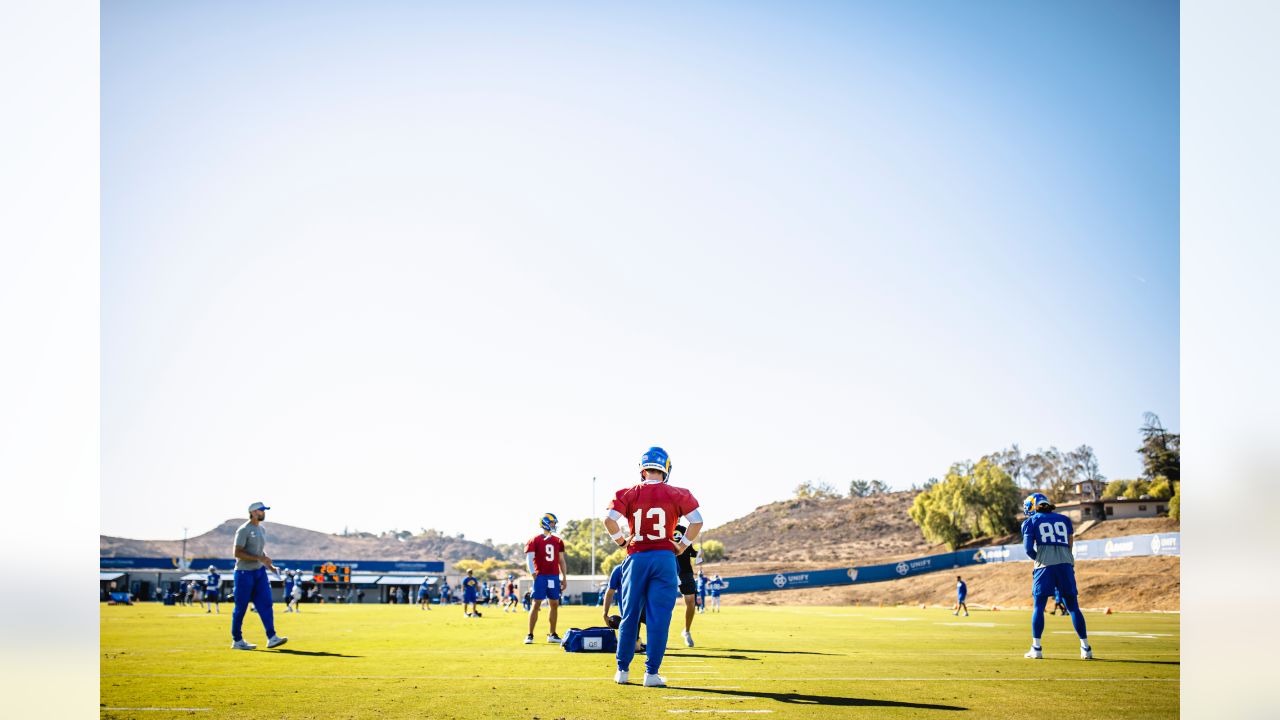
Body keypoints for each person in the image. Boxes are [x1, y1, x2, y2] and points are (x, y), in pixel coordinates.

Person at [603, 446, 703, 687]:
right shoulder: (679, 493)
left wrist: (621, 541)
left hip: (636, 557)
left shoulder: (627, 492)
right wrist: (682, 545)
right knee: (659, 617)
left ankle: (622, 671)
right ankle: (651, 674)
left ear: (643, 469)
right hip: (664, 558)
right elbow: (697, 521)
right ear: (665, 468)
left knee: (629, 616)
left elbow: (609, 520)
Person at [1021, 493, 1092, 660]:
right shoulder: (1064, 519)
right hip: (1065, 565)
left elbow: (1028, 549)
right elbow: (1070, 544)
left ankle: (1036, 648)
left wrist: (1040, 558)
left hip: (1044, 566)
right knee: (1073, 607)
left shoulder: (1030, 521)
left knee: (1039, 607)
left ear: (1033, 506)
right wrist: (1064, 559)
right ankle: (1085, 648)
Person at [230, 501, 287, 650]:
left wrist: (270, 565)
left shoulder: (262, 529)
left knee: (266, 604)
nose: (264, 513)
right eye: (262, 510)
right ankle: (237, 640)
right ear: (254, 512)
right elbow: (238, 553)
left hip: (259, 572)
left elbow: (260, 552)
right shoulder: (243, 530)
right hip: (243, 573)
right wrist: (259, 558)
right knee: (241, 607)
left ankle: (272, 637)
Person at [524, 513, 568, 644]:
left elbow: (561, 560)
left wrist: (564, 577)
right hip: (541, 576)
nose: (554, 525)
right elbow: (529, 559)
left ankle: (552, 634)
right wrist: (534, 575)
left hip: (553, 576)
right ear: (545, 523)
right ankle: (530, 634)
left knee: (554, 604)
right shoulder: (534, 540)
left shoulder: (558, 541)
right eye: (553, 523)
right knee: (536, 604)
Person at [603, 558, 644, 653]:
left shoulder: (646, 568)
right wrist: (605, 614)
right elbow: (609, 593)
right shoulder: (619, 570)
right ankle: (637, 640)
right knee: (634, 648)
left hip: (646, 610)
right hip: (629, 613)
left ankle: (646, 642)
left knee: (658, 627)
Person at [673, 524, 703, 647]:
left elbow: (690, 551)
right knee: (663, 604)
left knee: (691, 602)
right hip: (667, 569)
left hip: (685, 571)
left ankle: (686, 631)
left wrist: (699, 553)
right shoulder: (661, 526)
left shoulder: (684, 529)